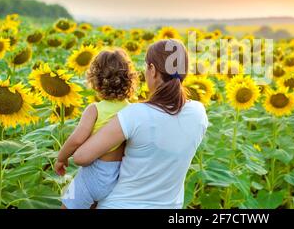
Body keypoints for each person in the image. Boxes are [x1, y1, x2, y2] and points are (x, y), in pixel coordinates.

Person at [72, 39, 209, 208]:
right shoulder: (198, 113)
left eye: (146, 67)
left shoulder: (135, 114)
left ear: (152, 70)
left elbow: (81, 157)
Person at [55, 48, 138, 209]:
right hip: (118, 178)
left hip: (92, 176)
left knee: (66, 206)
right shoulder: (132, 111)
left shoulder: (94, 109)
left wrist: (61, 158)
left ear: (95, 81)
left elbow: (77, 139)